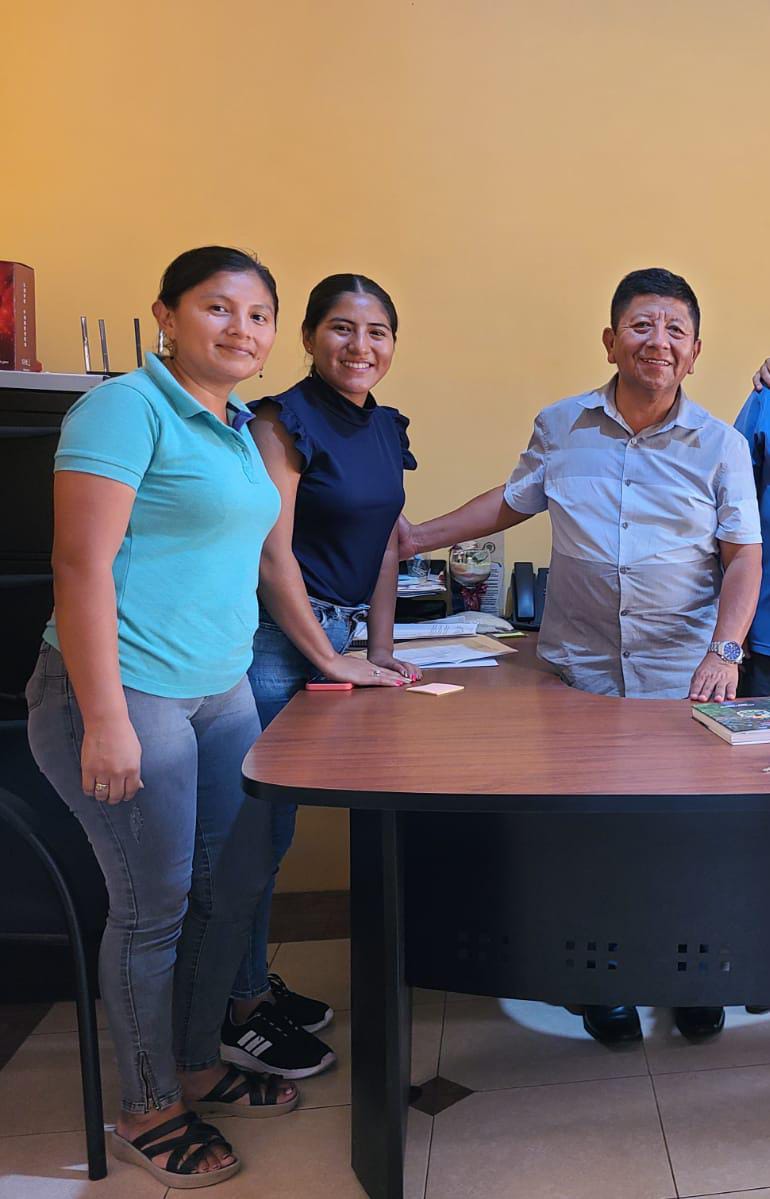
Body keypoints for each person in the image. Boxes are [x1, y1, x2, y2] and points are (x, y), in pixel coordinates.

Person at [398, 267, 762, 1046]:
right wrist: (418, 536)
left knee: (680, 835)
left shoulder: (722, 444)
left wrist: (725, 649)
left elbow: (743, 557)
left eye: (675, 329)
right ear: (610, 340)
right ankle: (603, 980)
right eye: (641, 325)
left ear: (695, 351)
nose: (658, 341)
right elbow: (512, 500)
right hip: (580, 675)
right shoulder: (562, 424)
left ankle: (691, 975)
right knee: (591, 836)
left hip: (680, 676)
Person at [26, 246, 299, 1189]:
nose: (241, 329)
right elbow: (79, 564)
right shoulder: (124, 406)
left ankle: (195, 1062)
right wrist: (105, 718)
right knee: (153, 908)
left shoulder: (234, 428)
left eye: (258, 315)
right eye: (217, 308)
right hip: (124, 690)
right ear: (167, 316)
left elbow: (258, 558)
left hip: (220, 690)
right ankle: (145, 1105)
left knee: (232, 882)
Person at [219, 273, 420, 1079]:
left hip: (336, 634)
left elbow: (385, 545)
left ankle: (247, 984)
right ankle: (236, 1010)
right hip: (276, 639)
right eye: (341, 327)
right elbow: (273, 557)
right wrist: (331, 656)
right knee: (252, 833)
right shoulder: (280, 420)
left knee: (277, 829)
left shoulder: (386, 427)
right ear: (307, 337)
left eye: (376, 331)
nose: (359, 346)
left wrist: (379, 647)